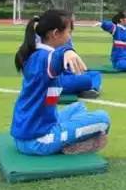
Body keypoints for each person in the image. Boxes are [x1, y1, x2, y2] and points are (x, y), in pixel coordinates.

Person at [11, 9, 110, 156]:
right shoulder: (45, 58)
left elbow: (50, 93)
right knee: (103, 119)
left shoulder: (36, 54)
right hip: (37, 140)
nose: (70, 36)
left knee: (78, 107)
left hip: (31, 129)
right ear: (55, 33)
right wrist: (67, 51)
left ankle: (66, 136)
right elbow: (55, 59)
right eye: (68, 32)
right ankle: (69, 144)